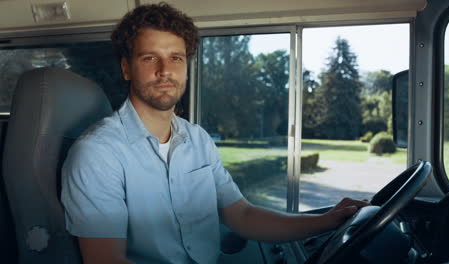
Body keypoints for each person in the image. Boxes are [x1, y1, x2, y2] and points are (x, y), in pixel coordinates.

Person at [61, 3, 368, 264]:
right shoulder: (97, 153)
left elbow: (242, 215)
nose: (165, 70)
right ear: (127, 68)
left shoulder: (198, 140)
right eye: (149, 57)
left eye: (176, 58)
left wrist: (324, 222)